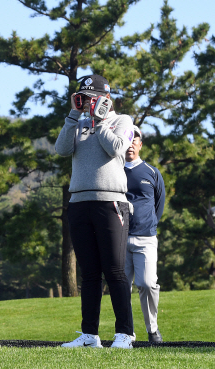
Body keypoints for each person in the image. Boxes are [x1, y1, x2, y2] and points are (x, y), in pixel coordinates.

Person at [55, 75, 135, 349]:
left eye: (92, 96)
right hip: (79, 202)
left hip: (111, 202)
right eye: (84, 96)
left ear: (105, 98)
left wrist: (99, 120)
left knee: (114, 270)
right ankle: (89, 335)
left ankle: (125, 334)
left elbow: (117, 148)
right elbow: (61, 149)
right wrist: (73, 115)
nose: (87, 100)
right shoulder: (78, 122)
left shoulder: (122, 120)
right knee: (89, 273)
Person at [124, 126, 165, 342]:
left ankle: (152, 330)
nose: (130, 143)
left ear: (140, 144)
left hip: (146, 238)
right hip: (118, 239)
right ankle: (126, 332)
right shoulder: (113, 171)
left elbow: (159, 204)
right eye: (127, 138)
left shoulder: (152, 172)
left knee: (147, 283)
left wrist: (148, 224)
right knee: (121, 287)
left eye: (135, 139)